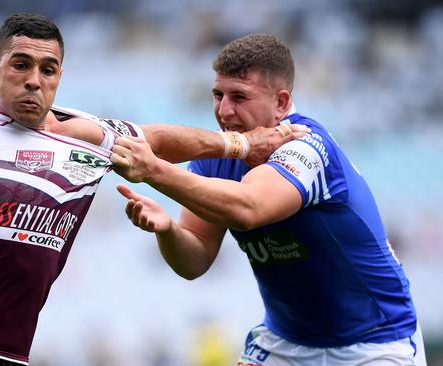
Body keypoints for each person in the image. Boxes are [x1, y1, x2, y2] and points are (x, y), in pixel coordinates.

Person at [0, 15, 307, 366]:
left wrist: (239, 143)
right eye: (20, 65)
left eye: (47, 70)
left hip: (8, 348)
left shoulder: (88, 137)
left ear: (60, 76)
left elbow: (158, 139)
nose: (33, 81)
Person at [110, 34, 427, 365]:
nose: (223, 110)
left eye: (239, 97)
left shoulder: (307, 145)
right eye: (218, 95)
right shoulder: (216, 157)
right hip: (285, 342)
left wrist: (155, 171)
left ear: (281, 102)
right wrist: (168, 231)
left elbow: (249, 208)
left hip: (374, 342)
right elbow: (194, 260)